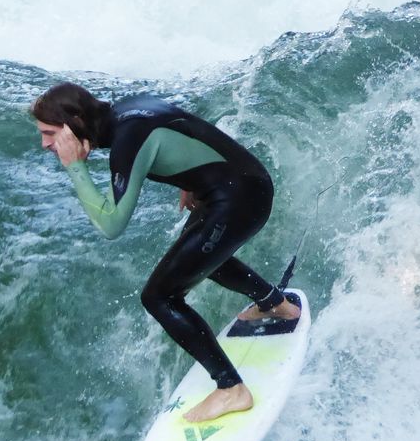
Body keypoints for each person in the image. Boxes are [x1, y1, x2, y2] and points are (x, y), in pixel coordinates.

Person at [31, 83, 300, 423]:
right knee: (198, 257)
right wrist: (193, 176)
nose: (44, 144)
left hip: (238, 198)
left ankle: (231, 390)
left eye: (49, 133)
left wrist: (75, 168)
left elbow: (112, 226)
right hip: (241, 183)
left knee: (160, 297)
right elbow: (179, 122)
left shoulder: (127, 141)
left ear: (75, 121)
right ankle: (275, 303)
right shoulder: (126, 110)